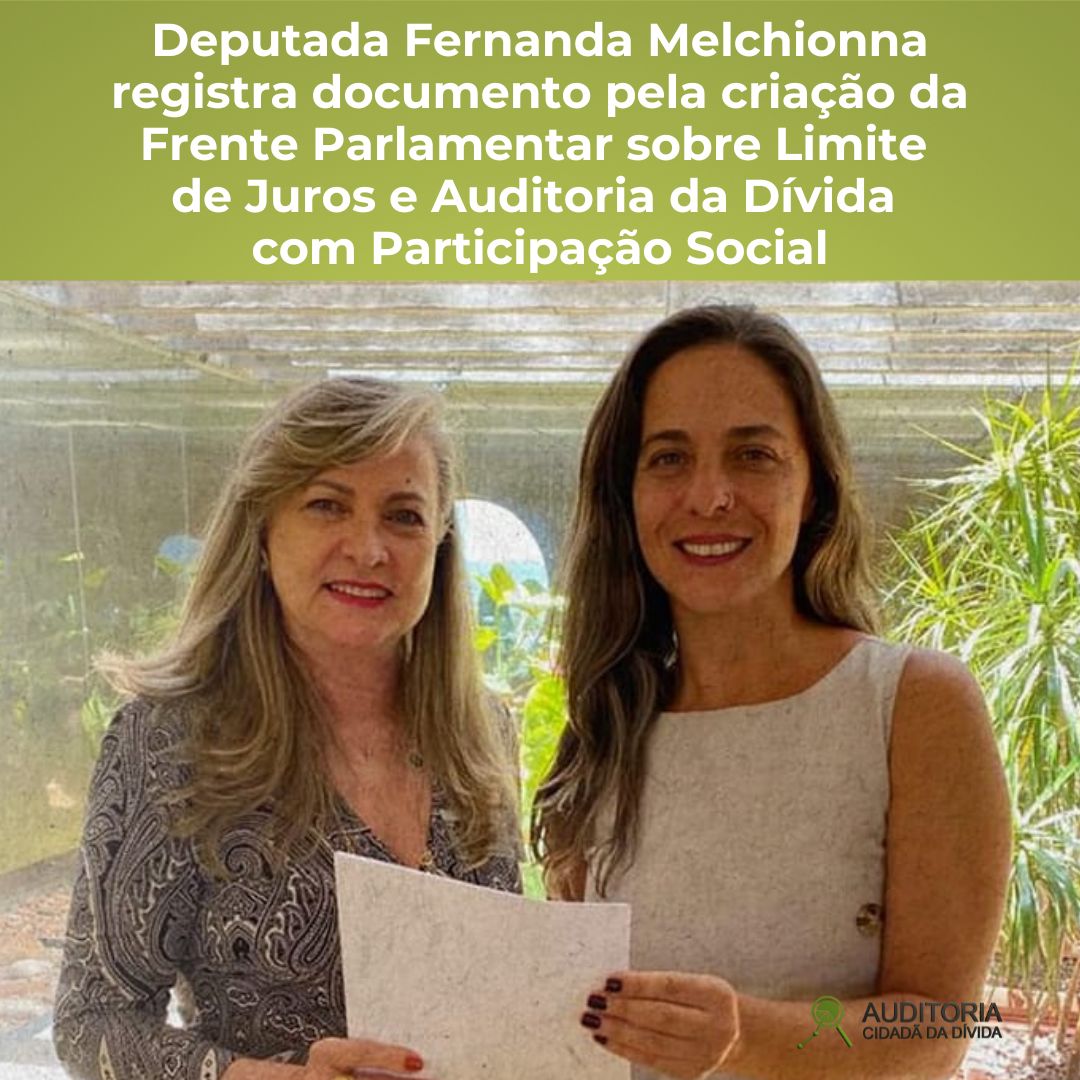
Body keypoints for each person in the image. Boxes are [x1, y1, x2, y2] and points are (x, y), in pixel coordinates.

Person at [534, 305, 1011, 1080]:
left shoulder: (912, 705)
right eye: (668, 458)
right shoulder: (606, 726)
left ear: (815, 484)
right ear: (628, 493)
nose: (709, 495)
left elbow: (941, 1027)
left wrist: (745, 1036)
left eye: (753, 455)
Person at [54, 378, 521, 1080]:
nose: (368, 548)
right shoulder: (170, 738)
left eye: (403, 516)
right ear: (264, 531)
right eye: (327, 505)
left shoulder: (484, 733)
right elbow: (91, 1023)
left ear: (441, 545)